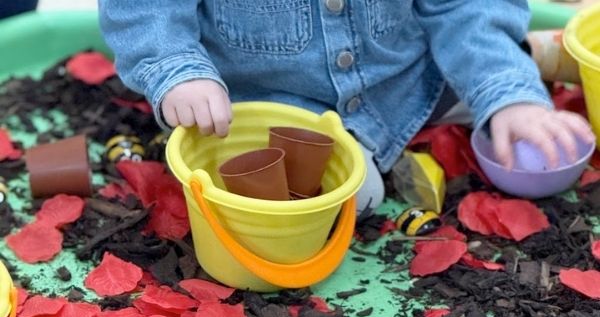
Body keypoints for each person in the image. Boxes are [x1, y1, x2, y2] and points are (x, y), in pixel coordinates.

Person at [98, 1, 594, 215]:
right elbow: (147, 11)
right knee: (351, 199)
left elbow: (463, 8)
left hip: (408, 78)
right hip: (283, 104)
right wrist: (180, 72)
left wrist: (508, 93)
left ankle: (528, 58)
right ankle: (532, 57)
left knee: (515, 110)